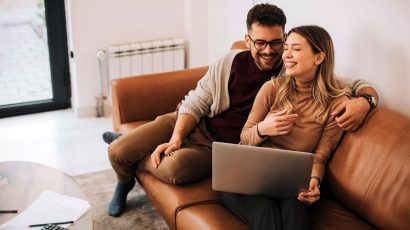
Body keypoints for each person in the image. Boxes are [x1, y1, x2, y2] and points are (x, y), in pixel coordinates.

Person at [105, 3, 378, 217]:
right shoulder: (228, 62)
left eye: (276, 42)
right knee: (117, 152)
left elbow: (353, 85)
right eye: (260, 43)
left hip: (221, 147)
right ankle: (125, 178)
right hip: (194, 121)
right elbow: (196, 101)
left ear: (284, 38)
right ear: (247, 40)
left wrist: (366, 102)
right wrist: (176, 137)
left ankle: (133, 158)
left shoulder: (293, 68)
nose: (270, 51)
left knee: (174, 170)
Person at [220, 25, 352, 230]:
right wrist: (263, 129)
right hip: (247, 178)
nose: (286, 55)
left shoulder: (336, 103)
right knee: (264, 211)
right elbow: (245, 138)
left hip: (290, 185)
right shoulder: (272, 89)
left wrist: (314, 181)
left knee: (294, 210)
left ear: (319, 58)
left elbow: (321, 156)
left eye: (296, 49)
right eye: (286, 47)